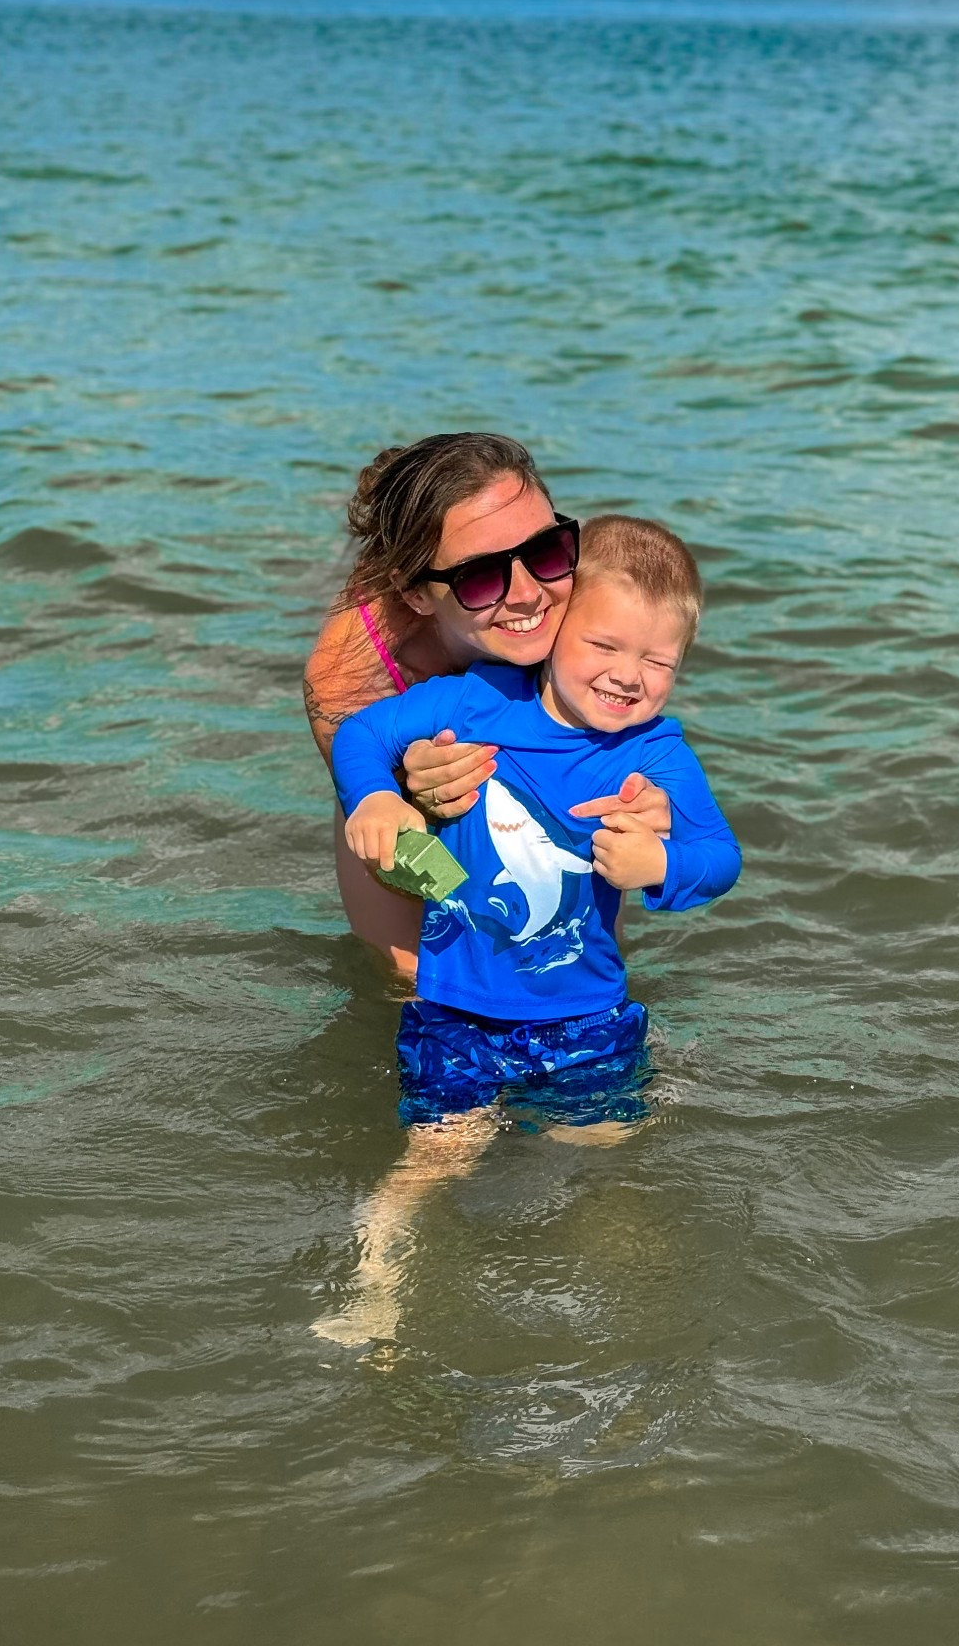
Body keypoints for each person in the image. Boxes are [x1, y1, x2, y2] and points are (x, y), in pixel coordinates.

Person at [313, 515, 741, 1346]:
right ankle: (375, 1279)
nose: (628, 677)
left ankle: (599, 1300)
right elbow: (363, 731)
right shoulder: (476, 701)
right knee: (435, 1159)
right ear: (553, 627)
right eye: (606, 645)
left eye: (658, 662)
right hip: (458, 1010)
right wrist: (375, 796)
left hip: (584, 1015)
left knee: (603, 1152)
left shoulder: (655, 752)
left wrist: (661, 865)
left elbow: (718, 858)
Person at [302, 433, 673, 976]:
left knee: (587, 960)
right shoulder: (349, 675)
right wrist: (413, 800)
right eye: (478, 576)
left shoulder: (575, 590)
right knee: (406, 978)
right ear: (413, 592)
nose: (527, 594)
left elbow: (637, 731)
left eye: (545, 549)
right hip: (398, 742)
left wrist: (655, 804)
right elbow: (389, 856)